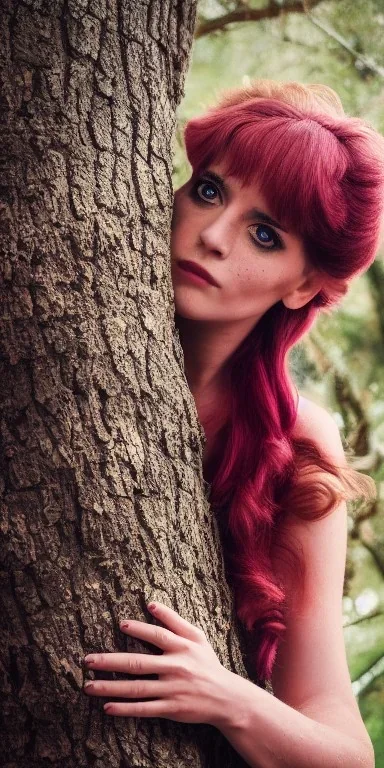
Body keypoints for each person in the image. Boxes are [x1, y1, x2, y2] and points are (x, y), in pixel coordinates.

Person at [82, 81, 384, 767]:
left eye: (265, 233)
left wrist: (226, 696)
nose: (212, 236)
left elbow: (345, 750)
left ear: (304, 285)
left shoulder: (298, 442)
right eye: (211, 191)